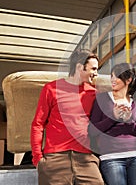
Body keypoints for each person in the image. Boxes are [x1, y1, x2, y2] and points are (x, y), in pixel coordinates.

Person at [31, 50, 104, 185]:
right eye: (93, 68)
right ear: (79, 67)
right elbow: (38, 124)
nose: (96, 73)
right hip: (55, 158)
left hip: (85, 158)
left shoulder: (94, 93)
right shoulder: (51, 89)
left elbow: (101, 124)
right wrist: (38, 159)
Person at [89, 63, 136, 185]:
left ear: (128, 80)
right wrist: (113, 118)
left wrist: (129, 121)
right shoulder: (102, 99)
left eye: (116, 77)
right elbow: (92, 131)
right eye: (111, 76)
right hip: (111, 158)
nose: (112, 80)